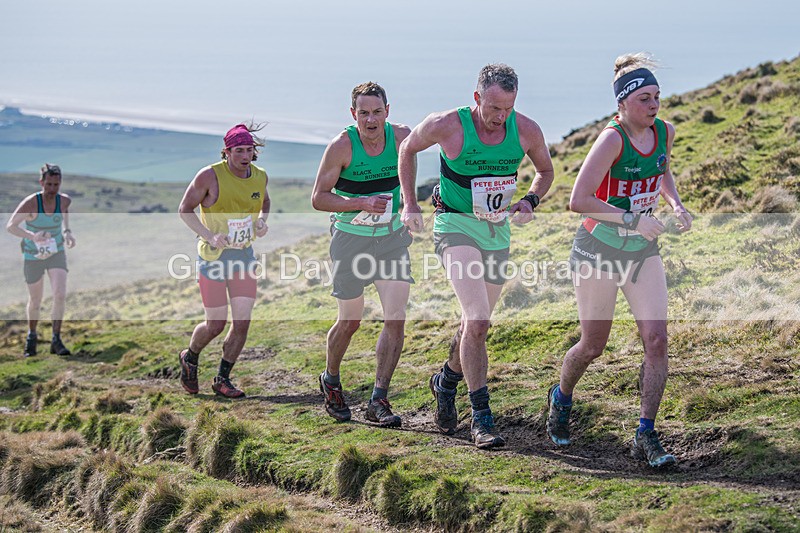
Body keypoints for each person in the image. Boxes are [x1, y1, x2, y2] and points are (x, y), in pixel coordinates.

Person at [546, 53, 693, 468]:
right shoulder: (611, 140)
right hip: (599, 250)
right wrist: (631, 218)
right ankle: (562, 398)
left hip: (642, 251)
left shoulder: (664, 132)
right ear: (623, 103)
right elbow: (579, 201)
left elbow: (662, 171)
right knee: (593, 345)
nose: (654, 105)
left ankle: (645, 434)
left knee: (658, 340)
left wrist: (676, 204)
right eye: (645, 98)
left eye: (657, 96)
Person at [399, 64, 554, 449]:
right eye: (494, 107)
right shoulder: (446, 124)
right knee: (479, 318)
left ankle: (446, 381)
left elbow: (545, 171)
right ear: (477, 97)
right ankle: (481, 418)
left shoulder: (526, 130)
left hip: (496, 231)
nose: (500, 117)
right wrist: (409, 205)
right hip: (454, 226)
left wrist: (530, 201)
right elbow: (407, 149)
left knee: (476, 324)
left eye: (508, 108)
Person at [311, 82, 413, 427]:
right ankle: (331, 378)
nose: (371, 120)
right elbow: (319, 198)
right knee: (351, 321)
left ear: (388, 110)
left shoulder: (402, 138)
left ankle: (378, 399)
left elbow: (427, 164)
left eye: (377, 112)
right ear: (353, 114)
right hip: (351, 239)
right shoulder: (341, 146)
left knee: (395, 317)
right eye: (363, 113)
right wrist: (360, 203)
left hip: (392, 238)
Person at [177, 123, 270, 399]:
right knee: (215, 324)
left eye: (248, 149)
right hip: (213, 259)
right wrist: (208, 235)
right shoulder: (209, 176)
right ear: (227, 152)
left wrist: (262, 221)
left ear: (254, 152)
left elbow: (264, 203)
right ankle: (190, 356)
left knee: (242, 323)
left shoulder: (260, 176)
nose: (244, 155)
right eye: (238, 150)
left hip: (243, 257)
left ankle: (222, 379)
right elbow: (185, 209)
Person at [6, 164, 76, 357]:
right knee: (36, 301)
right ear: (41, 182)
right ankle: (32, 336)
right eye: (49, 185)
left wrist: (67, 232)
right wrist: (32, 235)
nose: (52, 189)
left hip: (56, 253)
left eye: (56, 185)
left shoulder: (64, 201)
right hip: (33, 256)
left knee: (60, 294)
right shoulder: (30, 203)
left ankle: (56, 339)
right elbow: (11, 226)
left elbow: (65, 212)